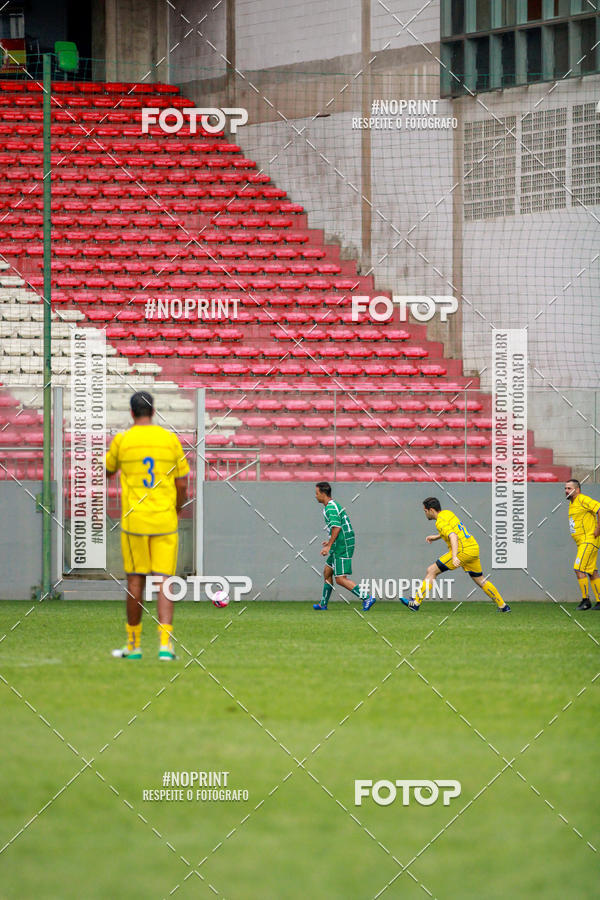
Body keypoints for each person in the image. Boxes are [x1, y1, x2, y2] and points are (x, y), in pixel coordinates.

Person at [105, 391, 190, 659]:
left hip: (135, 522)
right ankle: (165, 647)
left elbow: (107, 470)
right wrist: (177, 508)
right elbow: (182, 483)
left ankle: (133, 646)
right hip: (165, 519)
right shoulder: (169, 440)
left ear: (132, 412)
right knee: (164, 581)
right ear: (153, 412)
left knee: (135, 582)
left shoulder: (123, 440)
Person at [401, 497, 510, 612]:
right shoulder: (448, 513)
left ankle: (416, 602)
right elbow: (454, 530)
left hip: (462, 550)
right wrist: (436, 537)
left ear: (431, 510)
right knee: (480, 580)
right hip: (473, 548)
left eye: (425, 511)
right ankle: (503, 606)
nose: (425, 513)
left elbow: (453, 536)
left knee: (431, 570)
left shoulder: (439, 522)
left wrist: (454, 556)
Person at [313, 481, 376, 611]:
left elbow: (337, 527)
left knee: (340, 579)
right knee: (327, 572)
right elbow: (337, 527)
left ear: (323, 494)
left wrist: (329, 546)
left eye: (317, 493)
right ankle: (323, 604)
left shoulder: (330, 508)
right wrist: (330, 542)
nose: (315, 496)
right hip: (339, 543)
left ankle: (366, 597)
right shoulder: (331, 506)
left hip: (343, 544)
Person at [564, 478, 600, 610]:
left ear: (577, 489)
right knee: (592, 571)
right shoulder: (572, 503)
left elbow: (599, 508)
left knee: (578, 568)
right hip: (582, 542)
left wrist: (598, 528)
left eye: (569, 488)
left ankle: (586, 600)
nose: (566, 490)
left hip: (588, 540)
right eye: (565, 488)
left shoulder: (582, 499)